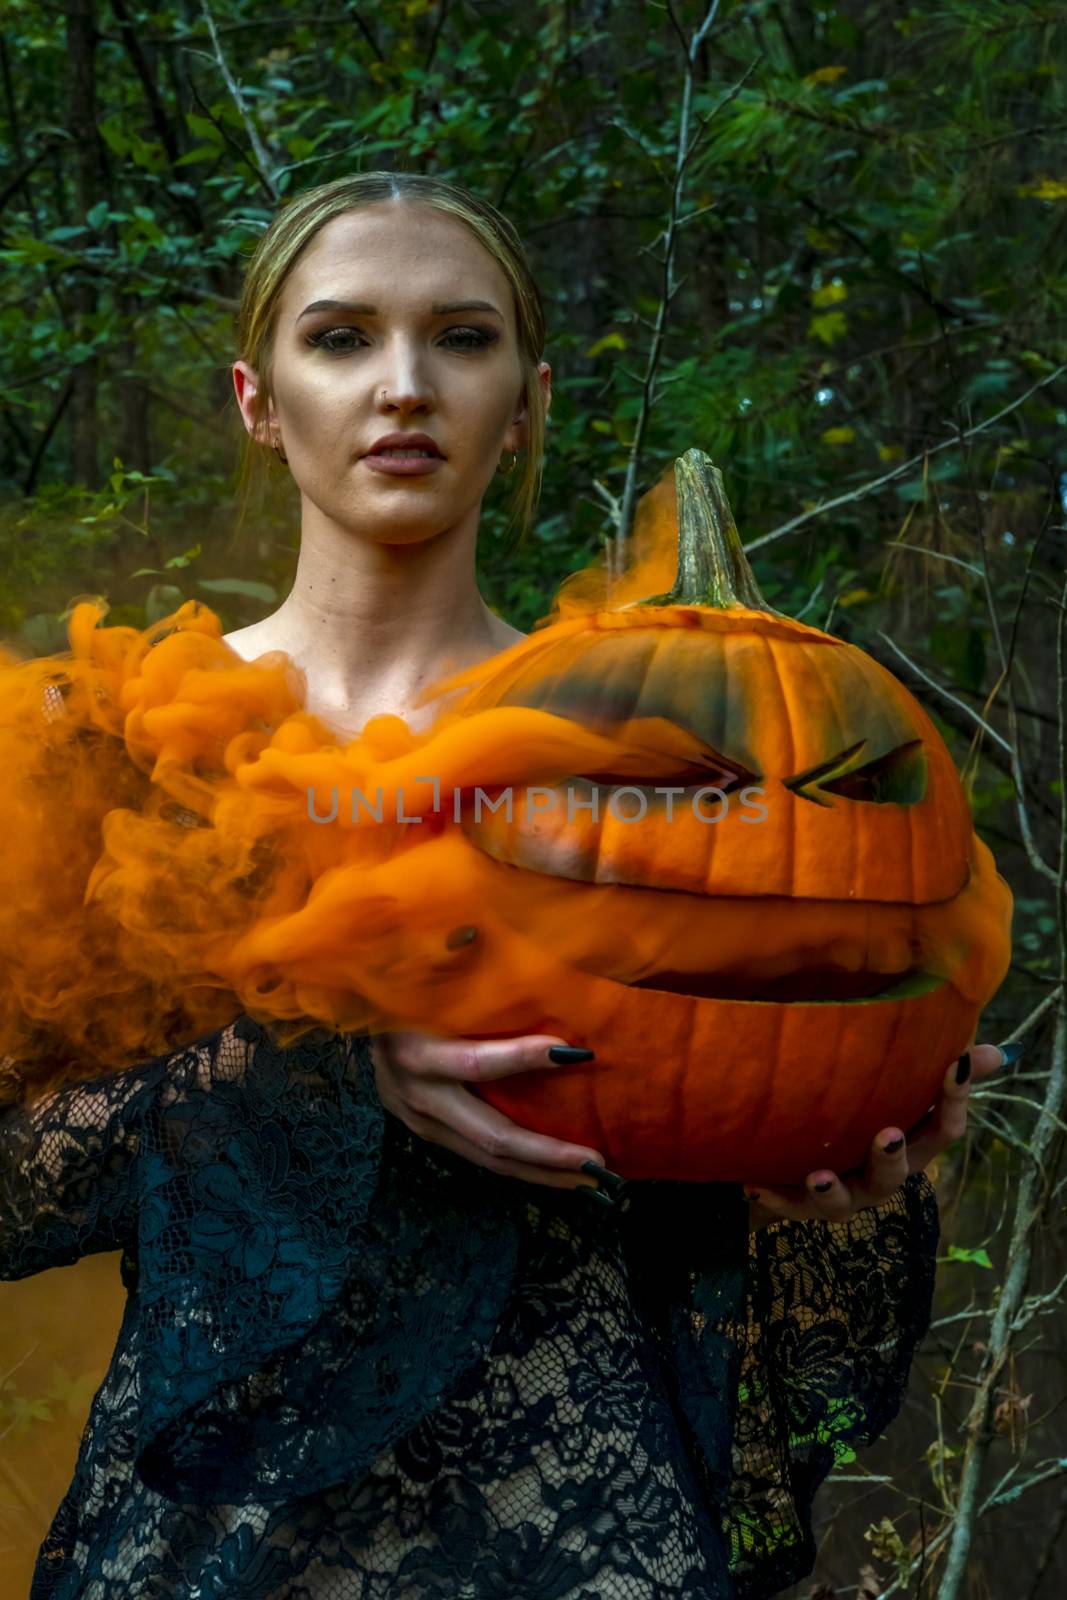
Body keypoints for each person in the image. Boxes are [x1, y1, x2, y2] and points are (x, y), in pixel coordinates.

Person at [0, 172, 1010, 1600]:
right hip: (208, 1545)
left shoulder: (678, 747)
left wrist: (842, 1183)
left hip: (585, 1529)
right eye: (342, 338)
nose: (404, 386)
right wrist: (333, 1082)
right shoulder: (107, 737)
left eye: (461, 340)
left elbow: (741, 1108)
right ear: (256, 397)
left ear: (527, 399)